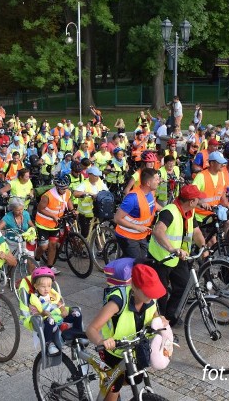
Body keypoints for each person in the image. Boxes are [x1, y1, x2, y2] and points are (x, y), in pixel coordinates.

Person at [86, 264, 167, 401]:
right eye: (147, 291)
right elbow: (91, 329)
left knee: (136, 377)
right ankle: (110, 388)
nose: (151, 295)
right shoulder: (117, 302)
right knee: (115, 384)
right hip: (113, 351)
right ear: (134, 286)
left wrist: (160, 320)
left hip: (133, 348)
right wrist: (101, 341)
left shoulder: (150, 299)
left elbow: (154, 316)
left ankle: (110, 384)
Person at [148, 185, 207, 326]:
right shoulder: (170, 211)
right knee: (160, 293)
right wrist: (171, 248)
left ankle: (169, 317)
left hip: (179, 257)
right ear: (191, 201)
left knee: (184, 285)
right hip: (161, 258)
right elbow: (159, 231)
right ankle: (159, 324)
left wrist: (203, 247)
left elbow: (197, 232)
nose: (200, 200)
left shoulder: (190, 212)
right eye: (197, 198)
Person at [114, 168, 159, 261]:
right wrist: (137, 227)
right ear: (148, 183)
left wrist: (168, 210)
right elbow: (117, 218)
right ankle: (115, 271)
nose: (159, 181)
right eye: (156, 179)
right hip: (127, 236)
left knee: (143, 261)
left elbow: (154, 205)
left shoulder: (150, 192)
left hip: (141, 235)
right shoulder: (132, 198)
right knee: (137, 263)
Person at [34, 175, 76, 274]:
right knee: (44, 246)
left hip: (55, 224)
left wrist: (72, 210)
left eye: (66, 188)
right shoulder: (47, 196)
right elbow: (40, 208)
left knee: (53, 245)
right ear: (57, 187)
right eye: (62, 188)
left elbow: (68, 200)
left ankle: (50, 266)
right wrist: (53, 216)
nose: (64, 190)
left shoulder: (67, 192)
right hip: (43, 224)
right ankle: (36, 258)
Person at [73, 166, 108, 237]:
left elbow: (106, 191)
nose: (97, 177)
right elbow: (75, 193)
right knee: (85, 235)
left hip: (97, 211)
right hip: (85, 214)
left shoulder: (99, 182)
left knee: (98, 232)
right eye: (95, 175)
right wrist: (86, 193)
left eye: (98, 175)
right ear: (90, 175)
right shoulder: (84, 183)